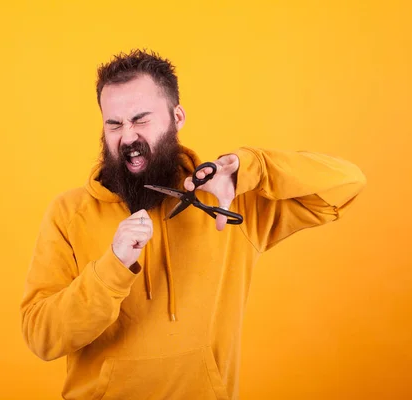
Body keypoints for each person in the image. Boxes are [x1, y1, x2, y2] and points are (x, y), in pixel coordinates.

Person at [20, 49, 366, 400]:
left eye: (141, 119)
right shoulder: (68, 213)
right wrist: (112, 267)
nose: (127, 137)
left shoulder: (229, 202)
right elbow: (42, 337)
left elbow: (346, 185)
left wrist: (250, 170)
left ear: (177, 116)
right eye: (114, 124)